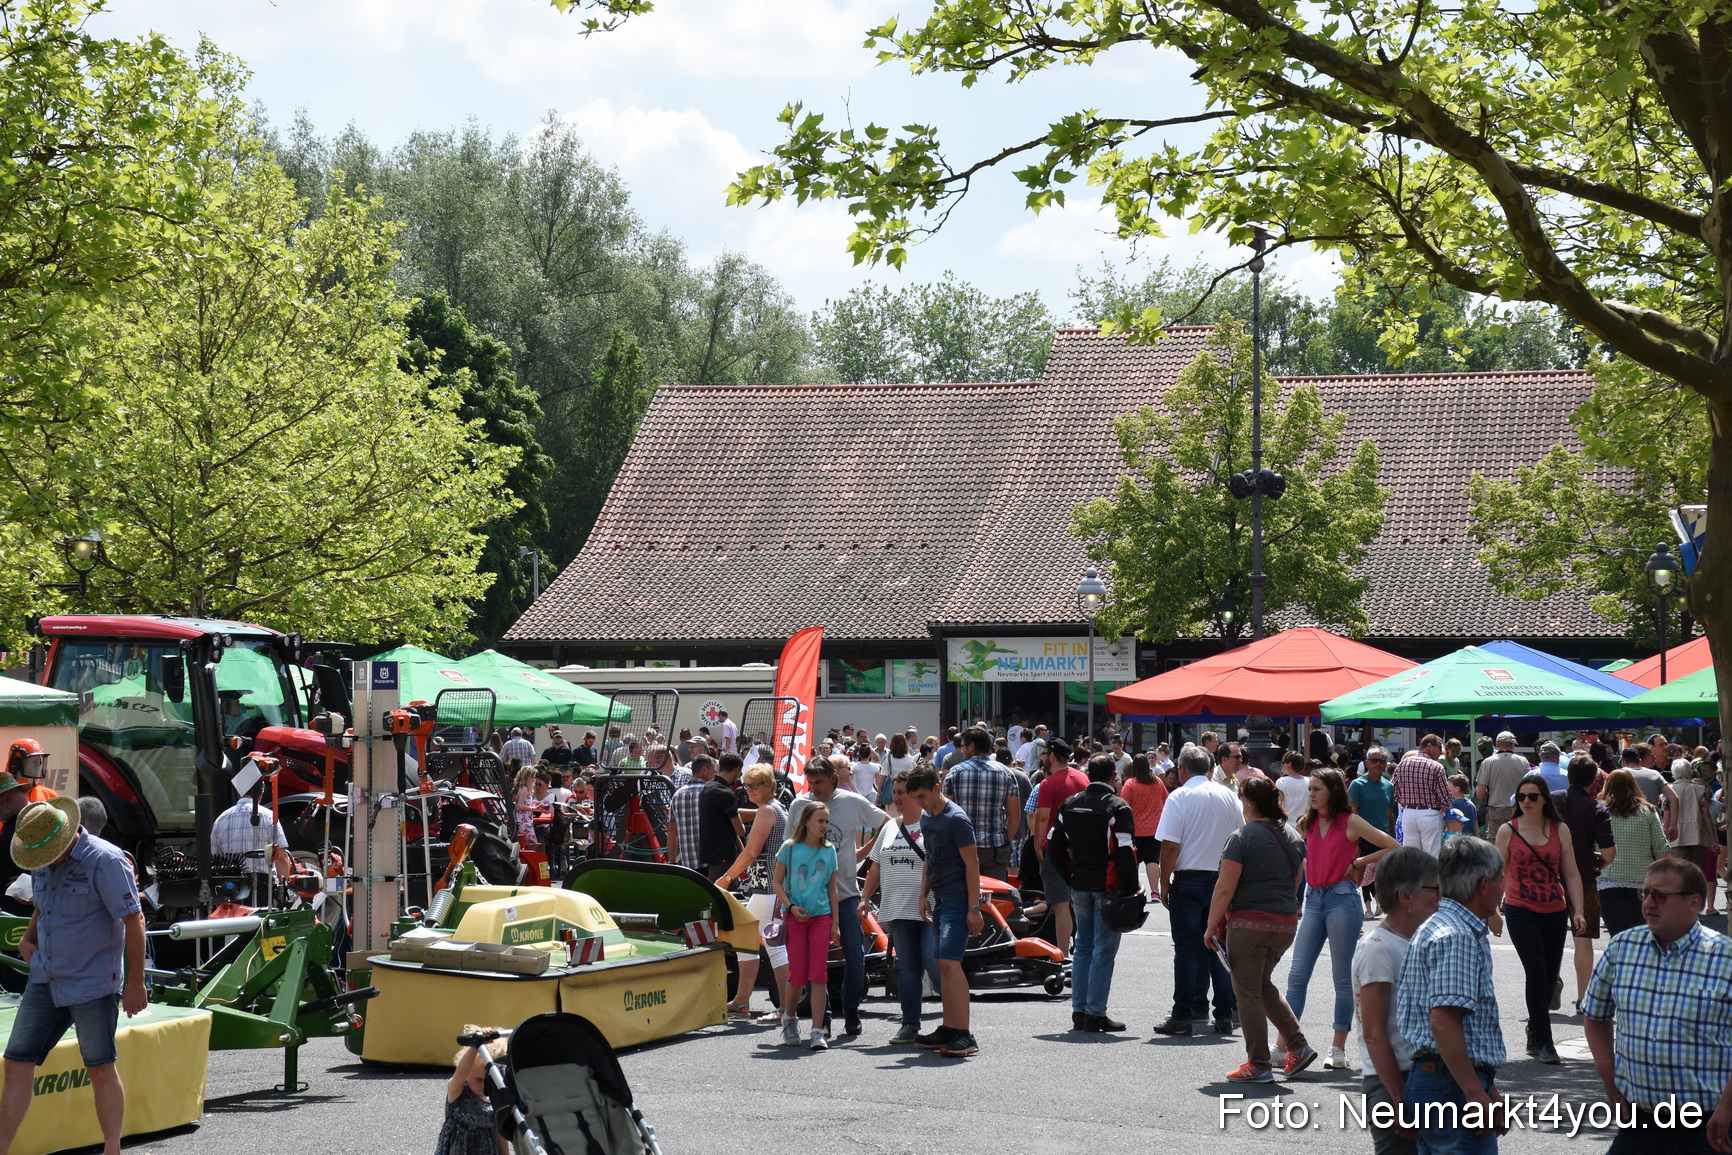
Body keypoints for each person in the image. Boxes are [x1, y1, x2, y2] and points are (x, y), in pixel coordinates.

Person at [0, 798, 146, 1155]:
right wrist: (28, 938)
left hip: (92, 982)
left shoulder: (106, 860)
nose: (44, 862)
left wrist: (135, 983)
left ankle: (112, 1149)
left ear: (65, 838)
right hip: (45, 977)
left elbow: (134, 919)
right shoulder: (42, 858)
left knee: (100, 1066)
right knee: (16, 1062)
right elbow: (42, 905)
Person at [1582, 858, 1732, 1155]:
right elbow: (1595, 1014)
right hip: (1640, 1121)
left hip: (1710, 1124)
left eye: (1661, 896)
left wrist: (1727, 1108)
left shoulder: (1724, 958)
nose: (1649, 903)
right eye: (1645, 893)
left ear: (1694, 902)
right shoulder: (1622, 947)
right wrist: (1609, 1078)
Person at [1394, 836, 1509, 1155]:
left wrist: (1489, 1088)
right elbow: (1443, 1022)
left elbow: (1462, 1031)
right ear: (1484, 885)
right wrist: (1474, 1091)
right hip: (1449, 1088)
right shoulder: (1457, 937)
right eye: (1500, 880)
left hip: (1443, 1080)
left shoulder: (1441, 926)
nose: (1502, 888)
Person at [1283, 768, 1398, 1071]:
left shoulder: (1351, 821)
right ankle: (1285, 1045)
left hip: (1342, 900)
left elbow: (1393, 846)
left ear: (1332, 790)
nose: (1311, 794)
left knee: (1342, 979)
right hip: (1313, 900)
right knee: (1296, 975)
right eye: (1310, 789)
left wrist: (1358, 862)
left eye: (1316, 789)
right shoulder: (1306, 822)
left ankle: (1337, 1048)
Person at [1203, 775, 1309, 1082]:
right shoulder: (1292, 836)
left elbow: (1225, 887)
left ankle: (1259, 1063)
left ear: (1249, 801)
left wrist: (1211, 927)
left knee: (1246, 991)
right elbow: (1297, 882)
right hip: (1285, 923)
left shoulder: (1242, 837)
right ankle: (1298, 1047)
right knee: (1261, 985)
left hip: (1249, 924)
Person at [786, 758, 887, 1037]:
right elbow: (789, 848)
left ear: (833, 778)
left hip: (845, 893)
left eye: (819, 781)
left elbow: (886, 824)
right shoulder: (799, 805)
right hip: (810, 900)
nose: (813, 787)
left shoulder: (852, 801)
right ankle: (824, 1017)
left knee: (855, 956)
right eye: (810, 782)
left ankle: (851, 1009)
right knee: (816, 961)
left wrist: (864, 853)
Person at [1494, 773, 1587, 1065]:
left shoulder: (1560, 829)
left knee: (1549, 975)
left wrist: (1579, 910)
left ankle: (1534, 1030)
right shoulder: (1508, 831)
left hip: (1555, 909)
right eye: (1521, 797)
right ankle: (1545, 1042)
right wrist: (1492, 910)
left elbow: (1571, 872)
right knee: (1535, 972)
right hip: (1521, 909)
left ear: (1544, 799)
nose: (1526, 802)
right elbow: (1500, 874)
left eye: (1532, 796)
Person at [1353, 847, 1441, 1155]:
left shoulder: (1417, 940)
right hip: (1393, 1079)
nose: (1441, 897)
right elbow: (1374, 1035)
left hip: (1422, 1073)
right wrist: (1400, 1100)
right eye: (1434, 889)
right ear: (1406, 896)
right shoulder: (1378, 948)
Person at [1153, 743, 1242, 1037]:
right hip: (1223, 879)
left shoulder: (1180, 796)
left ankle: (1183, 1014)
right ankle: (1225, 1013)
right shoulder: (1229, 796)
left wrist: (1164, 882)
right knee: (1218, 946)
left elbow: (1169, 845)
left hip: (1190, 879)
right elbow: (1241, 840)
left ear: (1181, 769)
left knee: (1188, 950)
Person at [1046, 754, 1139, 1033]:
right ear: (1113, 776)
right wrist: (1131, 887)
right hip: (1108, 884)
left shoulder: (1070, 804)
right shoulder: (1117, 807)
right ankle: (1095, 1013)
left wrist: (1069, 875)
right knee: (1103, 950)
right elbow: (1125, 851)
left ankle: (1080, 1011)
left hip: (1079, 882)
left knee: (1083, 947)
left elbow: (1053, 846)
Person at [906, 764, 983, 1058]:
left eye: (923, 796)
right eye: (917, 798)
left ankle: (963, 1033)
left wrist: (973, 907)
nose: (920, 803)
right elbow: (929, 857)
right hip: (940, 900)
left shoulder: (956, 819)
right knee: (942, 964)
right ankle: (951, 1028)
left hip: (958, 901)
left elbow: (973, 864)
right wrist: (923, 894)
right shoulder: (927, 817)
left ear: (937, 788)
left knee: (950, 964)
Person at [863, 769, 939, 1045]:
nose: (896, 798)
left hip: (930, 908)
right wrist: (864, 898)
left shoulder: (932, 824)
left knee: (936, 962)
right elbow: (876, 866)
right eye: (894, 792)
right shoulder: (890, 827)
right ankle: (910, 1025)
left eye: (901, 793)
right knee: (908, 967)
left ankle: (956, 1021)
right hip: (898, 908)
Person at [714, 766, 788, 1022]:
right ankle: (742, 1001)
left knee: (774, 946)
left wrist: (727, 877)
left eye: (755, 784)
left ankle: (784, 1009)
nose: (750, 789)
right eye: (746, 785)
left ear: (769, 785)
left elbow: (750, 852)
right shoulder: (774, 808)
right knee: (746, 939)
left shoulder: (768, 810)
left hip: (769, 888)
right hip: (766, 887)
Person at [1551, 754, 1615, 1012]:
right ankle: (1582, 997)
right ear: (1594, 781)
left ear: (1568, 776)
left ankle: (1549, 983)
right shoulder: (1596, 808)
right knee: (1583, 938)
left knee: (1549, 936)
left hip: (1551, 876)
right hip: (1584, 877)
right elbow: (1609, 852)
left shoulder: (1553, 800)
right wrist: (1598, 863)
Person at [773, 801, 839, 1051]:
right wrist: (790, 907)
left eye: (827, 821)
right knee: (797, 974)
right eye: (820, 821)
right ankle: (789, 1018)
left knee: (819, 974)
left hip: (821, 917)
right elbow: (777, 883)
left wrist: (836, 922)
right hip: (795, 917)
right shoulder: (789, 848)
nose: (824, 826)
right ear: (807, 822)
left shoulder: (829, 850)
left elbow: (832, 889)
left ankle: (817, 1030)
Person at [1598, 768, 1672, 936]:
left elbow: (1594, 847)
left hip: (1608, 881)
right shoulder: (1649, 811)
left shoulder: (1600, 811)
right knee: (1641, 938)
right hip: (1643, 883)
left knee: (1618, 938)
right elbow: (1662, 848)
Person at [942, 727, 1020, 883]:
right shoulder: (1006, 773)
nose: (962, 750)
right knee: (994, 898)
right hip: (994, 848)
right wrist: (1006, 841)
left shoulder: (955, 773)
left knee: (964, 898)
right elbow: (1015, 816)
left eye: (963, 746)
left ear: (971, 746)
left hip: (962, 846)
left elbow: (946, 813)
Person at [1032, 738, 1087, 955]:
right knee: (1080, 903)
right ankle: (1082, 951)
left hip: (1055, 849)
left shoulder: (1048, 783)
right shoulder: (1083, 778)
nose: (1042, 758)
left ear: (1052, 756)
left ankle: (1061, 955)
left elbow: (1042, 818)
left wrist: (1037, 843)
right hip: (1081, 847)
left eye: (1044, 753)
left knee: (1060, 904)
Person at [438, 1028, 509, 1155]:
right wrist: (475, 1046)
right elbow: (460, 1073)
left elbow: (500, 1133)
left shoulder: (494, 1098)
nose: (483, 1085)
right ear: (468, 1072)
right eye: (478, 1079)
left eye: (488, 1081)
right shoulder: (458, 1092)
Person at [1349, 748, 1398, 915]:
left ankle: (1387, 912)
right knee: (1358, 876)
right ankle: (1353, 910)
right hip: (1362, 837)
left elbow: (1390, 813)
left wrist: (1391, 836)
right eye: (1375, 760)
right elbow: (1351, 812)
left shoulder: (1388, 786)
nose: (1378, 764)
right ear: (1367, 763)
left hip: (1382, 837)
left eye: (1382, 761)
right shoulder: (1357, 785)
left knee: (1384, 877)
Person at [210, 790, 296, 881]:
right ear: (261, 795)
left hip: (232, 886)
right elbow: (281, 858)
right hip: (263, 884)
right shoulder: (269, 816)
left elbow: (214, 858)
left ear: (239, 794)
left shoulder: (220, 819)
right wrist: (284, 886)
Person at [1392, 734, 1450, 855]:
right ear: (1429, 746)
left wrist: (1405, 801)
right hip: (1429, 813)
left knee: (1411, 855)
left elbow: (1394, 790)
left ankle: (1412, 875)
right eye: (1439, 748)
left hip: (1408, 813)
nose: (1441, 753)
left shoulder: (1403, 764)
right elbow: (1445, 798)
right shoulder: (1436, 767)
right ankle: (1432, 874)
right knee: (1432, 854)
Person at [1119, 753, 1168, 895]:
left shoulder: (1130, 784)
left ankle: (1134, 890)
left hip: (1135, 829)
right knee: (1152, 860)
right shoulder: (1157, 782)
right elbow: (1167, 801)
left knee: (1133, 861)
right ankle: (1155, 892)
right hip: (1154, 829)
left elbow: (1124, 805)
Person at [696, 753, 746, 882]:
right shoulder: (725, 793)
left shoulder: (707, 788)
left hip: (713, 856)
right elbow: (740, 830)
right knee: (725, 896)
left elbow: (725, 822)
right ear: (736, 769)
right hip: (724, 858)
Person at [666, 754, 713, 871]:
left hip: (689, 863)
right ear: (704, 770)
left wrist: (671, 862)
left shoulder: (677, 795)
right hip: (711, 860)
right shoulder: (711, 792)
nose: (714, 775)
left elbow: (672, 830)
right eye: (713, 771)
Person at [1670, 760, 1714, 871]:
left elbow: (1666, 817)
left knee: (1679, 871)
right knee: (1695, 870)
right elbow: (1706, 816)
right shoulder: (1699, 789)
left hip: (1676, 836)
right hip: (1697, 834)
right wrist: (1713, 839)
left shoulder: (1669, 791)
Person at [1277, 751, 1312, 830]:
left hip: (1287, 826)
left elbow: (1279, 804)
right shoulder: (1310, 782)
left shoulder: (1282, 782)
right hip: (1305, 825)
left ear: (1289, 764)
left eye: (1283, 762)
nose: (1282, 765)